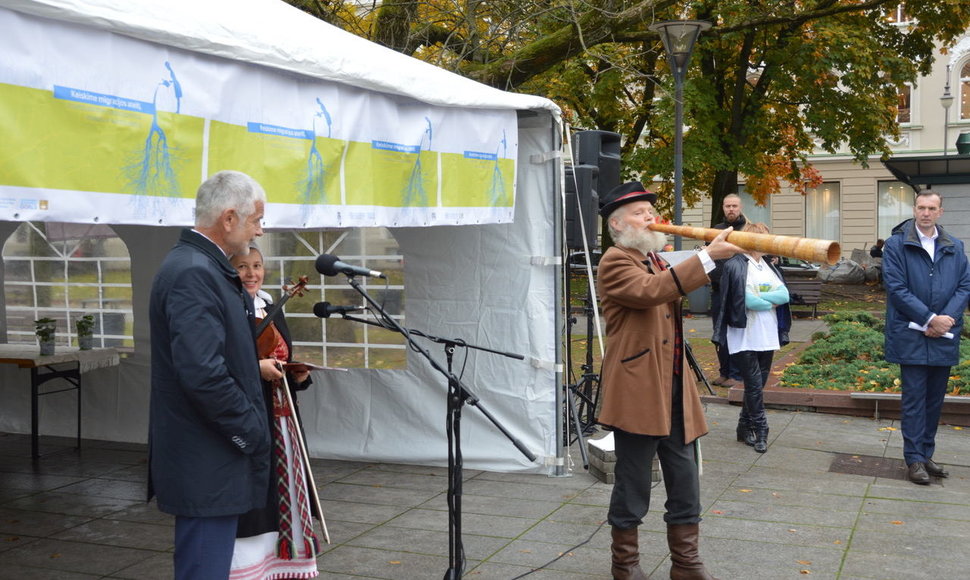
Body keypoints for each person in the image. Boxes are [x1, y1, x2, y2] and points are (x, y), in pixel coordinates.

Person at [596, 181, 741, 580]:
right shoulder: (615, 260)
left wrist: (712, 257)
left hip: (673, 391)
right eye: (642, 213)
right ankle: (625, 567)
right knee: (634, 483)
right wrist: (706, 257)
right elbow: (650, 293)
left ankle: (686, 565)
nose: (652, 218)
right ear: (620, 224)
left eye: (650, 211)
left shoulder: (655, 258)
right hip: (638, 393)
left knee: (685, 482)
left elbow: (671, 283)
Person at [148, 170, 275, 580]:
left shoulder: (202, 266)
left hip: (210, 455)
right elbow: (202, 373)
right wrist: (250, 430)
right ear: (228, 218)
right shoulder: (193, 272)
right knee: (203, 569)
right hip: (206, 457)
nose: (260, 228)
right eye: (256, 218)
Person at [229, 244, 320, 579]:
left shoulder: (271, 306)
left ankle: (288, 565)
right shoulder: (227, 309)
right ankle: (252, 570)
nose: (252, 273)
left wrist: (299, 374)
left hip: (284, 420)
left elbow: (280, 358)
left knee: (286, 492)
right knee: (259, 498)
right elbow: (222, 367)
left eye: (256, 265)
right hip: (252, 419)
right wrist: (257, 368)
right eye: (242, 267)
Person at [882, 190, 970, 485]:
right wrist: (930, 319)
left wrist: (945, 321)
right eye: (921, 207)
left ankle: (927, 453)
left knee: (934, 401)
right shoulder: (896, 245)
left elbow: (964, 286)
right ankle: (914, 459)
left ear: (940, 212)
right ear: (914, 209)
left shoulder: (954, 247)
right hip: (911, 334)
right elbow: (896, 288)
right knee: (914, 400)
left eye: (932, 208)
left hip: (944, 335)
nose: (926, 213)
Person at [713, 223, 792, 453]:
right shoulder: (735, 265)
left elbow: (784, 294)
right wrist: (768, 299)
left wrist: (761, 296)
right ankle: (761, 429)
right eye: (765, 239)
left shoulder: (768, 266)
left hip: (767, 332)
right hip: (744, 332)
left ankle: (743, 426)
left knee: (758, 383)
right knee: (755, 384)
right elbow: (747, 301)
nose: (770, 243)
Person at [709, 194, 747, 388]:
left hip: (739, 291)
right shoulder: (716, 231)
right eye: (727, 206)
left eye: (734, 206)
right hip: (718, 290)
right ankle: (724, 371)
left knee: (736, 333)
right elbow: (709, 259)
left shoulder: (748, 230)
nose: (731, 209)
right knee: (720, 333)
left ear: (740, 207)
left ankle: (736, 373)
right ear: (723, 208)